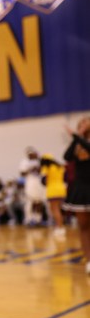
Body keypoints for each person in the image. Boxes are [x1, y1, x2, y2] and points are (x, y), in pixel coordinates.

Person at [63, 117, 90, 274]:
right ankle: (89, 260)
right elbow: (66, 157)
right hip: (80, 189)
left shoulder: (85, 142)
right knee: (84, 227)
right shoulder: (77, 143)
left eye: (85, 123)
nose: (82, 126)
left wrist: (77, 136)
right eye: (80, 124)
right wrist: (75, 139)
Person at [40, 154, 67, 238]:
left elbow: (44, 180)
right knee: (58, 209)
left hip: (52, 190)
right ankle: (60, 226)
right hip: (62, 189)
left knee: (54, 210)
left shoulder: (46, 168)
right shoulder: (60, 167)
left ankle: (60, 228)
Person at [19, 147, 46, 225]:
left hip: (39, 184)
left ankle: (38, 219)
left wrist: (38, 169)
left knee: (39, 202)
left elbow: (44, 171)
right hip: (30, 184)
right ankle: (29, 219)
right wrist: (30, 169)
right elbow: (22, 173)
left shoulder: (40, 161)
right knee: (30, 202)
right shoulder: (24, 162)